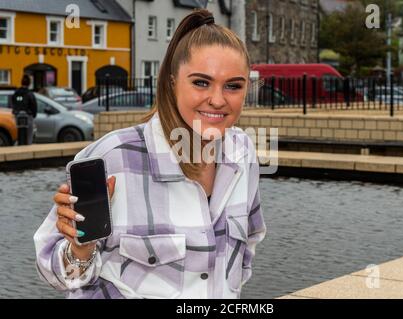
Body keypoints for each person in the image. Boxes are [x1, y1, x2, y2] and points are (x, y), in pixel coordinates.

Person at [33, 9, 266, 299]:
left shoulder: (242, 153)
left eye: (233, 86)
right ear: (171, 82)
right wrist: (81, 248)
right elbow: (51, 271)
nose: (217, 100)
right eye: (201, 82)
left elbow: (249, 242)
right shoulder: (113, 156)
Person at [12, 74, 37, 145]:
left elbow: (13, 102)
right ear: (29, 83)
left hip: (18, 116)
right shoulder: (30, 93)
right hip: (28, 116)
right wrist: (33, 114)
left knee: (18, 133)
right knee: (29, 136)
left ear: (21, 82)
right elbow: (34, 105)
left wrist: (15, 112)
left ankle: (18, 144)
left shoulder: (16, 92)